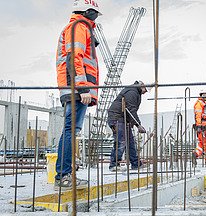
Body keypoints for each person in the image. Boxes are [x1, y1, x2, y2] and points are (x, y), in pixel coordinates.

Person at [54, 0, 102, 191]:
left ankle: (65, 174)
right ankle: (64, 176)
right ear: (89, 12)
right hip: (76, 88)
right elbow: (75, 56)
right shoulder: (79, 26)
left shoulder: (77, 26)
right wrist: (83, 88)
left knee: (71, 130)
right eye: (96, 14)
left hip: (73, 87)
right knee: (70, 130)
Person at [107, 81, 147, 171]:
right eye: (146, 90)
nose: (145, 92)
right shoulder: (132, 92)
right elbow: (130, 108)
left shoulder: (134, 91)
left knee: (130, 143)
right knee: (121, 142)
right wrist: (138, 125)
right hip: (117, 118)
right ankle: (114, 165)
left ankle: (136, 164)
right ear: (142, 86)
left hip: (123, 119)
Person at [192, 90, 206, 165]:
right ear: (201, 94)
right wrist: (198, 125)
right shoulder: (199, 104)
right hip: (202, 126)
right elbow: (198, 115)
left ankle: (196, 154)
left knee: (201, 144)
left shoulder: (205, 103)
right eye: (205, 94)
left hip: (204, 125)